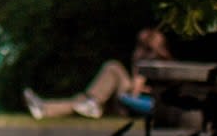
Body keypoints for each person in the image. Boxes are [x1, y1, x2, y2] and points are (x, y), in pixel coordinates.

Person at [23, 27, 173, 120]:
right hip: (127, 102)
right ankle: (43, 109)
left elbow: (136, 94)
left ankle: (90, 103)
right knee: (83, 102)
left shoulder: (155, 66)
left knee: (113, 68)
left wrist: (138, 74)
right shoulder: (150, 63)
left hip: (134, 106)